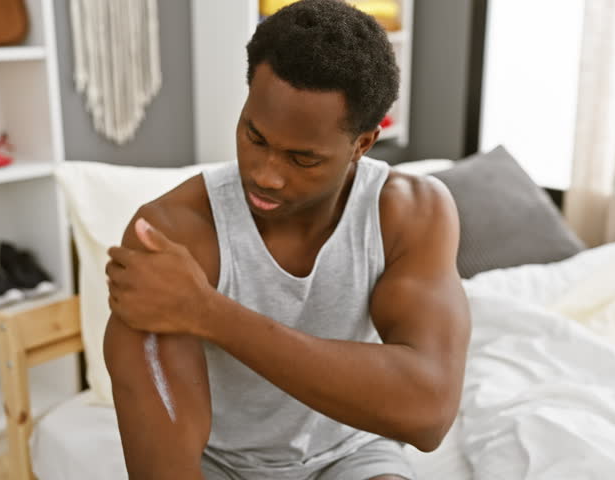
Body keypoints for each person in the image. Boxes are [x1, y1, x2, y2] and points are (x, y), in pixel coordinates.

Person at [103, 0, 471, 478]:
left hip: (351, 455)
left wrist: (207, 312)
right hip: (223, 465)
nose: (266, 175)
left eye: (302, 159)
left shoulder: (410, 212)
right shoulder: (173, 234)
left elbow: (429, 415)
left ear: (362, 143)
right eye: (254, 138)